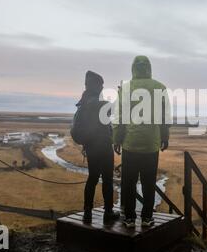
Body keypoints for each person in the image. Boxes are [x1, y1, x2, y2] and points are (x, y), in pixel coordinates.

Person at [113, 56, 170, 228]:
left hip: (130, 144)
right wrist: (164, 137)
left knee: (129, 182)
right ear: (149, 68)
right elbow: (164, 117)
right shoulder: (160, 87)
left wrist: (116, 139)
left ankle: (129, 218)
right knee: (149, 183)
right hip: (151, 145)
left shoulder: (126, 88)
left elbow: (120, 117)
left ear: (133, 69)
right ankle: (146, 218)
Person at [71, 71, 119, 224]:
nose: (103, 87)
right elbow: (114, 109)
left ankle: (87, 212)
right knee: (107, 180)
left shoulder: (84, 102)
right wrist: (121, 95)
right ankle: (109, 212)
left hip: (91, 147)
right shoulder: (97, 103)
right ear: (95, 85)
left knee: (92, 178)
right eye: (101, 84)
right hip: (103, 146)